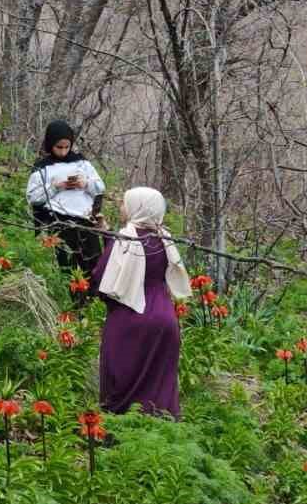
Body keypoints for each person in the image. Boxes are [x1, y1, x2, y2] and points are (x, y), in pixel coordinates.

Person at [89, 187, 192, 418]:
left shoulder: (125, 240)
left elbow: (104, 277)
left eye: (125, 203)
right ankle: (159, 433)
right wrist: (107, 234)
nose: (121, 207)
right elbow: (141, 259)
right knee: (158, 383)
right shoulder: (164, 238)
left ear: (138, 208)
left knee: (122, 381)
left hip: (131, 318)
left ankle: (120, 436)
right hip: (165, 319)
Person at [27, 120, 106, 304]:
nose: (63, 151)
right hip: (59, 221)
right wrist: (56, 186)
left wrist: (85, 184)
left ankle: (95, 303)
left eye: (66, 147)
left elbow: (100, 187)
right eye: (58, 147)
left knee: (93, 264)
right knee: (67, 265)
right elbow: (33, 197)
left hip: (85, 220)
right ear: (50, 144)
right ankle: (75, 304)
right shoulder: (42, 167)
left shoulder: (82, 163)